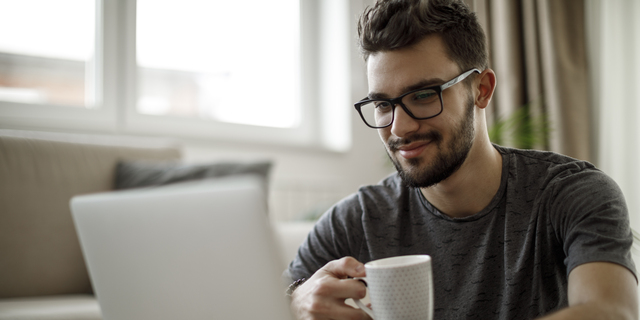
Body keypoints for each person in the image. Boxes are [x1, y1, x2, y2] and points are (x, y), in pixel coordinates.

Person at [286, 0, 638, 319]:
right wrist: (296, 300)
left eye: (423, 95)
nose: (400, 127)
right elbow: (272, 300)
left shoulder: (571, 193)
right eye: (382, 104)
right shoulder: (356, 220)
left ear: (481, 89)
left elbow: (609, 311)